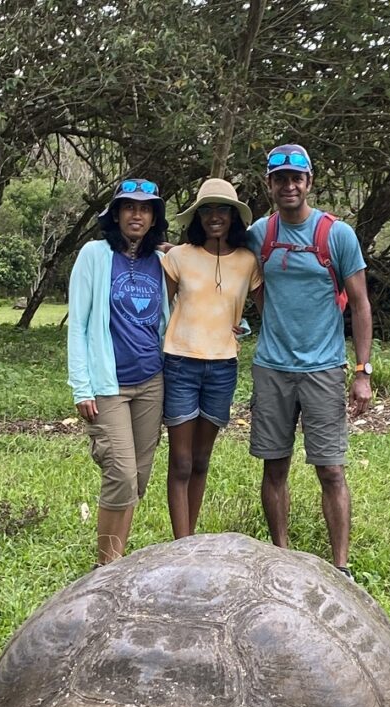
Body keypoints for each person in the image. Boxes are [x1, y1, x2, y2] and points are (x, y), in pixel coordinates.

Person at [246, 144, 373, 578]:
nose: (289, 186)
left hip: (323, 369)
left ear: (309, 182)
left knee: (331, 469)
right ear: (269, 184)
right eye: (280, 179)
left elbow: (361, 304)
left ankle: (341, 566)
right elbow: (217, 256)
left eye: (296, 178)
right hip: (272, 367)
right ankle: (281, 557)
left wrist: (362, 371)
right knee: (274, 465)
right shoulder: (260, 233)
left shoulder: (337, 235)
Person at [67, 178, 169, 565]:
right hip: (109, 385)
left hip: (152, 381)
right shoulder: (94, 255)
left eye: (145, 209)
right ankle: (105, 564)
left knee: (138, 478)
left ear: (154, 217)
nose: (136, 215)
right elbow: (78, 324)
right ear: (115, 215)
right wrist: (82, 387)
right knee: (121, 473)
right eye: (129, 207)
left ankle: (116, 561)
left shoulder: (161, 260)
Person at [162, 178, 263, 538]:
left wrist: (245, 324)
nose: (214, 216)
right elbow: (158, 312)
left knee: (201, 460)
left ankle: (191, 538)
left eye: (222, 210)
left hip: (222, 367)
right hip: (180, 363)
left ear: (233, 216)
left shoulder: (248, 261)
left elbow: (264, 310)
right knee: (181, 461)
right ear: (198, 216)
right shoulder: (178, 257)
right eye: (207, 210)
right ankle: (182, 543)